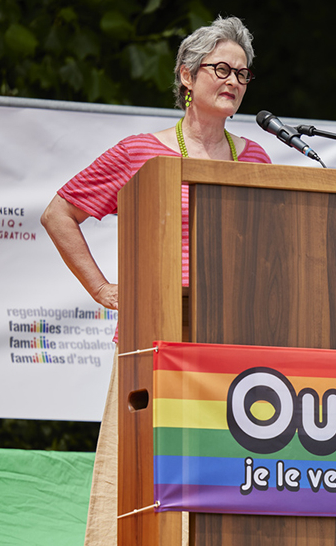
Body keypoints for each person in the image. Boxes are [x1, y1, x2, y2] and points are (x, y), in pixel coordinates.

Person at [40, 16, 271, 545]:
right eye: (221, 69)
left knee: (224, 474)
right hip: (156, 335)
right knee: (143, 475)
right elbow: (59, 214)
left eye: (242, 73)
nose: (233, 81)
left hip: (231, 340)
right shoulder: (140, 152)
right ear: (187, 75)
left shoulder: (255, 157)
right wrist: (103, 290)